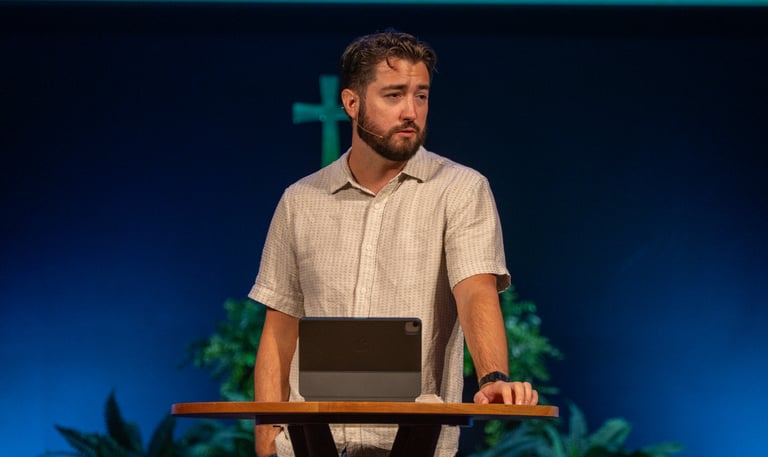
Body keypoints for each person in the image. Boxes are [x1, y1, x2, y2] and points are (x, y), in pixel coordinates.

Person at [249, 30, 538, 457]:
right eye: (394, 95)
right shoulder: (300, 200)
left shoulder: (460, 189)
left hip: (411, 444)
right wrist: (266, 439)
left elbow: (476, 292)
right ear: (351, 103)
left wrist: (492, 377)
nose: (411, 111)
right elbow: (279, 330)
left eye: (421, 95)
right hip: (305, 444)